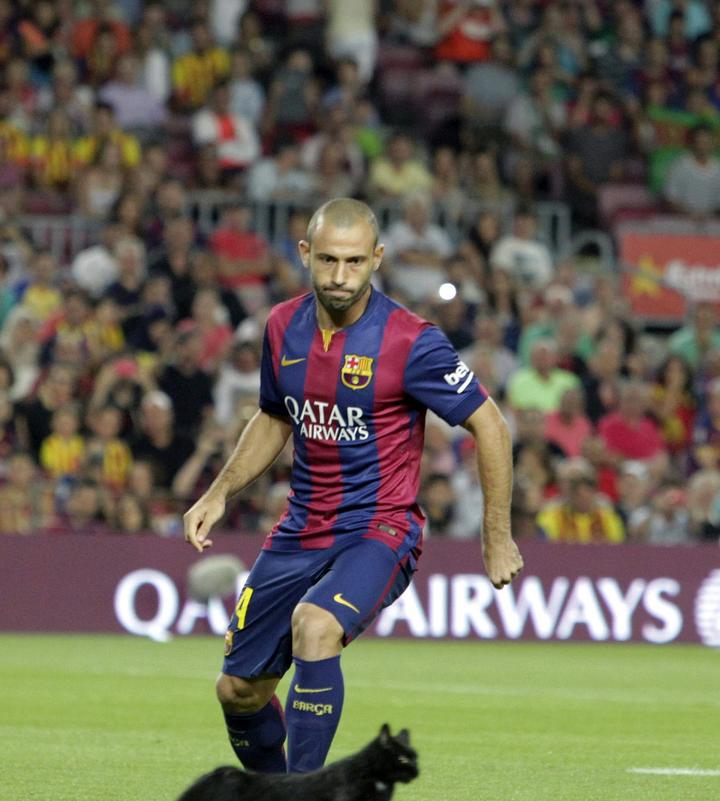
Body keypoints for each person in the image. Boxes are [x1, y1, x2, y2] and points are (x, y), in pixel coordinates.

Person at [183, 198, 523, 775]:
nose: (341, 277)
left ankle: (305, 792)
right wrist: (219, 492)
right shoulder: (279, 327)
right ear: (305, 253)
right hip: (300, 529)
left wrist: (497, 534)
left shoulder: (411, 341)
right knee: (238, 691)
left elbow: (489, 423)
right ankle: (275, 791)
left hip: (379, 528)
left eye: (356, 263)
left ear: (378, 259)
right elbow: (273, 417)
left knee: (316, 626)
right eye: (330, 261)